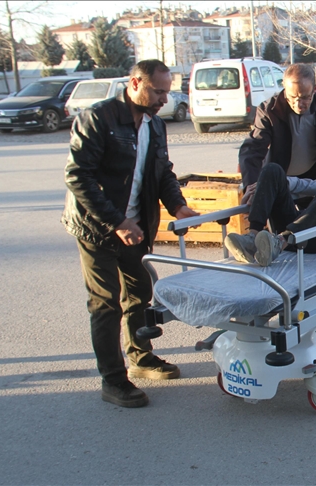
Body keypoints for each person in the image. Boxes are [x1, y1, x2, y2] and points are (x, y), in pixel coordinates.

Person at [62, 59, 200, 408]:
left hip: (135, 228)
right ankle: (113, 380)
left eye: (167, 93)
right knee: (105, 304)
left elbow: (162, 170)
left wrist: (177, 205)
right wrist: (116, 222)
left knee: (140, 291)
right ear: (135, 82)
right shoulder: (98, 119)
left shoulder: (154, 125)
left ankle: (141, 356)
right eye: (158, 91)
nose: (163, 100)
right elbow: (79, 177)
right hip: (97, 228)